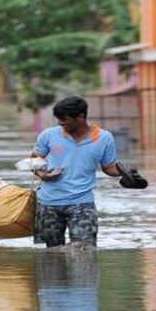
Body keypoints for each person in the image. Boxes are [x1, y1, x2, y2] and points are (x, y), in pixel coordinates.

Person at [30, 96, 120, 248]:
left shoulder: (104, 138)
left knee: (84, 249)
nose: (60, 123)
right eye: (58, 119)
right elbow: (34, 161)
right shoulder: (48, 135)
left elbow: (108, 167)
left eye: (64, 119)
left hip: (82, 202)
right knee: (51, 254)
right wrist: (42, 174)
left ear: (80, 117)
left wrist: (125, 172)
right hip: (48, 203)